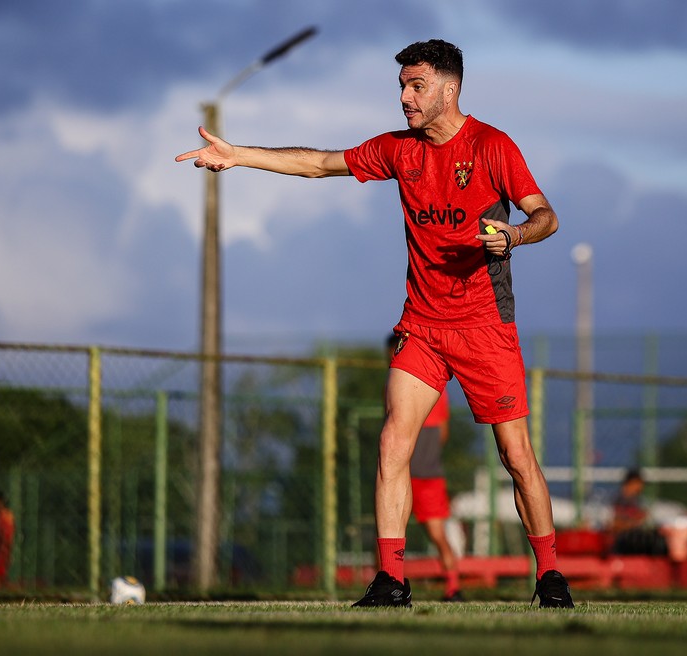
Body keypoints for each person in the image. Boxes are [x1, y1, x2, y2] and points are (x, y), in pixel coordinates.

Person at [176, 39, 573, 608]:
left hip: (486, 326)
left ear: (449, 89)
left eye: (417, 86)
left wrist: (512, 235)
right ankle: (392, 580)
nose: (406, 98)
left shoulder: (493, 146)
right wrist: (238, 155)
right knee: (392, 444)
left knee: (516, 456)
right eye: (402, 87)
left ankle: (551, 576)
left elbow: (546, 216)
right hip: (424, 326)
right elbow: (318, 164)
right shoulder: (399, 151)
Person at [386, 333, 462, 601]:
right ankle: (389, 582)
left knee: (427, 533)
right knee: (393, 531)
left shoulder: (412, 387)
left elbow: (436, 431)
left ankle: (452, 586)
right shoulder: (430, 390)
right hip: (420, 472)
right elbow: (442, 432)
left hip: (421, 474)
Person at [610, 469, 667, 556]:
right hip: (622, 543)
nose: (641, 487)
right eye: (639, 484)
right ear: (631, 483)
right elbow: (614, 524)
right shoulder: (618, 500)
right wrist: (637, 521)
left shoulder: (638, 501)